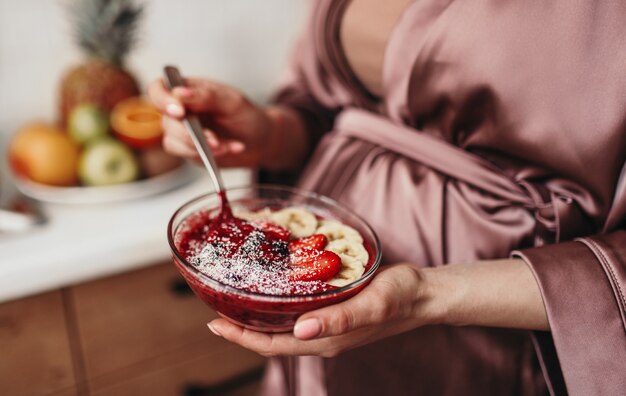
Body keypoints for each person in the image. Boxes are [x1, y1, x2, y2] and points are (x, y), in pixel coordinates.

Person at [149, 1, 626, 394]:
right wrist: (273, 134)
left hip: (494, 343)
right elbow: (329, 102)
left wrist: (428, 295)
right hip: (319, 325)